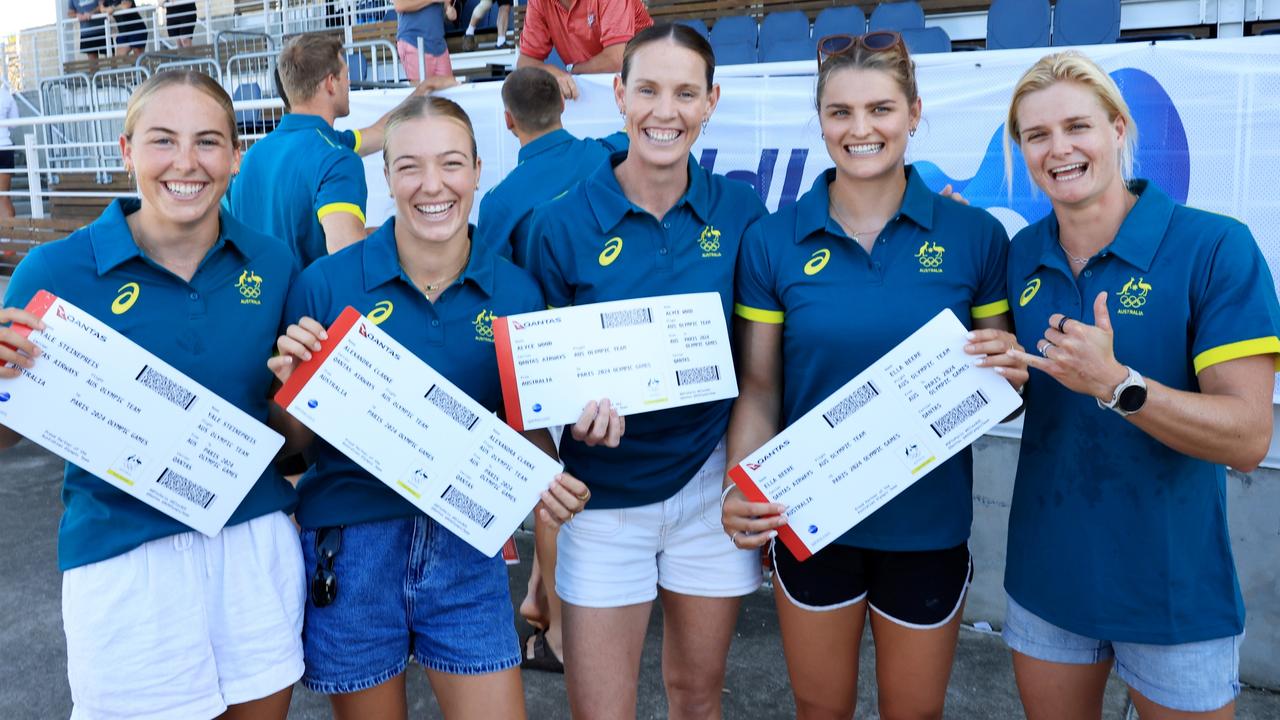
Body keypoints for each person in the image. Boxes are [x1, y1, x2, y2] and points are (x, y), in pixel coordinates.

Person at [720, 31, 1024, 720]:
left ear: (915, 113)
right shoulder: (773, 240)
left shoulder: (973, 236)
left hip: (926, 528)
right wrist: (744, 482)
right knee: (819, 707)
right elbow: (761, 387)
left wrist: (1012, 380)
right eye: (840, 112)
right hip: (811, 518)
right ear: (820, 120)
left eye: (881, 109)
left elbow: (999, 392)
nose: (861, 130)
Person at [268, 94, 590, 719]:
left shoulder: (517, 293)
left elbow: (528, 441)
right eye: (409, 167)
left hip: (467, 546)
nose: (431, 185)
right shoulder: (326, 284)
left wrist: (552, 479)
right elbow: (292, 448)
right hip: (352, 545)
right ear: (386, 177)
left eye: (450, 164)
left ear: (476, 171)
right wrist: (293, 390)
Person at [0, 70, 305, 720]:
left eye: (208, 142)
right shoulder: (54, 273)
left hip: (252, 541)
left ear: (234, 156)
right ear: (126, 150)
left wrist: (300, 395)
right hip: (123, 554)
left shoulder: (274, 264)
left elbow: (289, 442)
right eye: (163, 140)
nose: (186, 163)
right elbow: (8, 428)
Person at [999, 51, 1280, 720]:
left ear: (1118, 128)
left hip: (1174, 590)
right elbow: (1026, 393)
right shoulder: (1019, 254)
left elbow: (1248, 437)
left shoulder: (1215, 246)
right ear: (1020, 151)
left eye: (1078, 126)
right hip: (1047, 579)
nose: (1059, 149)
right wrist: (1001, 376)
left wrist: (1120, 384)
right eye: (1037, 135)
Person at [523, 23, 766, 718]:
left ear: (712, 101)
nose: (667, 111)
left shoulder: (742, 213)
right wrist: (573, 416)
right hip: (604, 502)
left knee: (697, 698)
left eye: (687, 93)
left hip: (709, 490)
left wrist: (737, 482)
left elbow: (759, 370)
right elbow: (538, 384)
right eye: (650, 90)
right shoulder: (559, 226)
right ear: (619, 94)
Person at [229, 33, 368, 268]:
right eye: (346, 76)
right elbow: (348, 263)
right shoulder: (337, 160)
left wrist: (419, 99)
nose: (349, 84)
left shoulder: (250, 157)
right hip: (311, 304)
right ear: (331, 83)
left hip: (257, 301)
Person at [474, 66, 617, 263]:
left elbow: (495, 283)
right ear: (562, 104)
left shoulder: (498, 203)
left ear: (508, 120)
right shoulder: (607, 153)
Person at [516, 0, 653, 100]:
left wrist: (571, 71)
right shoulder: (538, 2)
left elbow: (616, 60)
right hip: (594, 92)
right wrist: (552, 73)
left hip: (647, 88)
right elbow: (524, 62)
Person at [394, 0, 458, 82]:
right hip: (413, 43)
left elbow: (447, 7)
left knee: (448, 91)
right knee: (422, 91)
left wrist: (450, 11)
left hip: (439, 45)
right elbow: (400, 5)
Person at [0, 84, 18, 220]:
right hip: (5, 146)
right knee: (4, 195)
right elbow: (14, 123)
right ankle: (9, 236)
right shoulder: (6, 95)